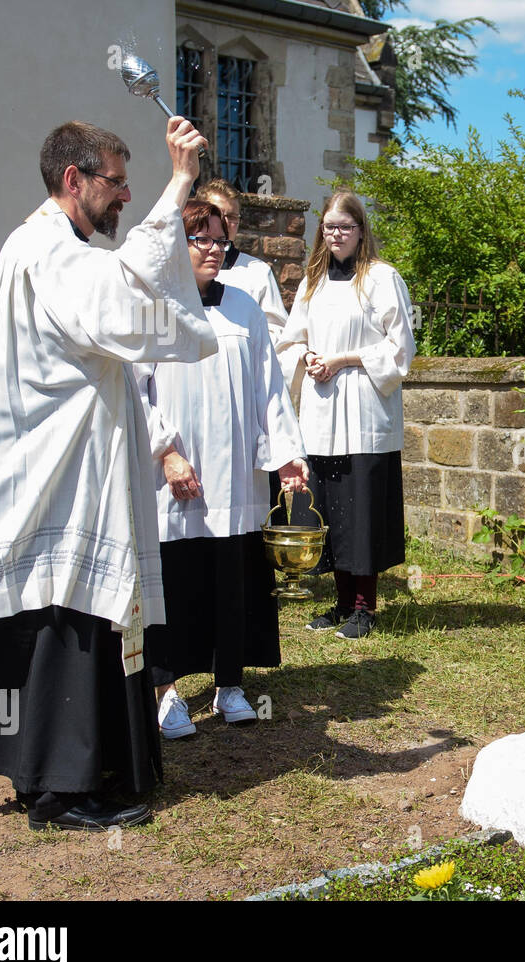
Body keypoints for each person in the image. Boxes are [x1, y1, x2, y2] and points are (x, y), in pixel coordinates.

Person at [0, 117, 216, 831]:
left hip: (61, 467)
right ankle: (61, 790)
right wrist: (180, 180)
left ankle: (60, 774)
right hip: (51, 477)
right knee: (63, 618)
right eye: (116, 182)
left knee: (64, 615)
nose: (124, 197)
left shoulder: (54, 248)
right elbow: (122, 299)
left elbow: (125, 308)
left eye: (129, 184)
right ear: (73, 179)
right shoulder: (45, 250)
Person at [138, 200, 309, 739]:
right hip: (176, 475)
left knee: (232, 579)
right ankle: (166, 692)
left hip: (234, 474)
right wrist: (165, 452)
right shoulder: (155, 308)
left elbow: (269, 389)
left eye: (218, 239)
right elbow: (133, 391)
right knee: (175, 579)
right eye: (199, 239)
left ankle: (229, 684)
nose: (214, 248)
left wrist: (285, 455)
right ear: (176, 245)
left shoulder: (244, 308)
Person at [276, 190, 415, 639]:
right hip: (321, 410)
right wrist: (307, 358)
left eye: (345, 227)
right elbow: (291, 338)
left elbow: (400, 350)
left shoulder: (380, 278)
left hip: (363, 409)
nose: (336, 235)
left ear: (361, 230)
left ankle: (364, 608)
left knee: (362, 512)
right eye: (329, 226)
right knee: (331, 508)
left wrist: (344, 360)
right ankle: (339, 603)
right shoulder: (313, 281)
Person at [196, 178, 288, 346]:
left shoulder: (257, 272)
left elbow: (277, 332)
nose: (224, 223)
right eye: (216, 213)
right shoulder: (181, 272)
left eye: (231, 217)